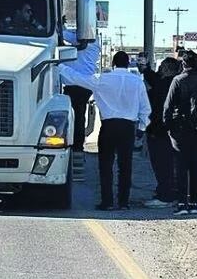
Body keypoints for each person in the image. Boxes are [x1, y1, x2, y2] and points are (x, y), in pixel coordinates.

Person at [60, 50, 150, 211]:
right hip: (128, 127)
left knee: (106, 165)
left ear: (113, 64)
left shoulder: (102, 79)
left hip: (108, 126)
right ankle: (124, 202)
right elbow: (145, 108)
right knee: (125, 166)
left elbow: (77, 78)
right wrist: (142, 128)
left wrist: (59, 66)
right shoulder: (137, 82)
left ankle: (107, 202)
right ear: (128, 64)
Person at [163, 51, 197, 216]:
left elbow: (168, 106)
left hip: (180, 129)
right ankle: (193, 203)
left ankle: (181, 203)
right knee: (195, 166)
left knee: (181, 166)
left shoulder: (178, 80)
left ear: (183, 64)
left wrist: (168, 126)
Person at [141, 57, 181, 208]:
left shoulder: (163, 86)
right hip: (174, 131)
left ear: (166, 69)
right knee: (172, 164)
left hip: (159, 131)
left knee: (162, 164)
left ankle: (166, 196)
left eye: (162, 67)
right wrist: (146, 69)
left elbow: (152, 106)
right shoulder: (176, 83)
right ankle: (170, 193)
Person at [61, 28, 99, 173]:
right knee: (78, 116)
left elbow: (63, 34)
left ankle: (76, 146)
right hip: (80, 84)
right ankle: (77, 146)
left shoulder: (88, 38)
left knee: (76, 117)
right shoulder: (86, 39)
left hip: (77, 84)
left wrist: (61, 25)